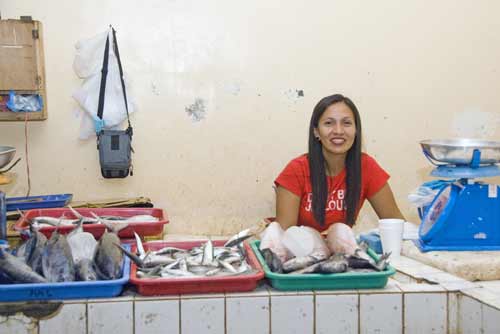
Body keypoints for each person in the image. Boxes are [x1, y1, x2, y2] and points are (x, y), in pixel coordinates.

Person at [274, 93, 404, 234]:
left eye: (346, 123)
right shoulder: (296, 170)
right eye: (329, 123)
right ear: (316, 131)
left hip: (341, 252)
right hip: (303, 253)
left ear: (356, 130)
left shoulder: (366, 167)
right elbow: (284, 238)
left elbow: (397, 224)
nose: (338, 131)